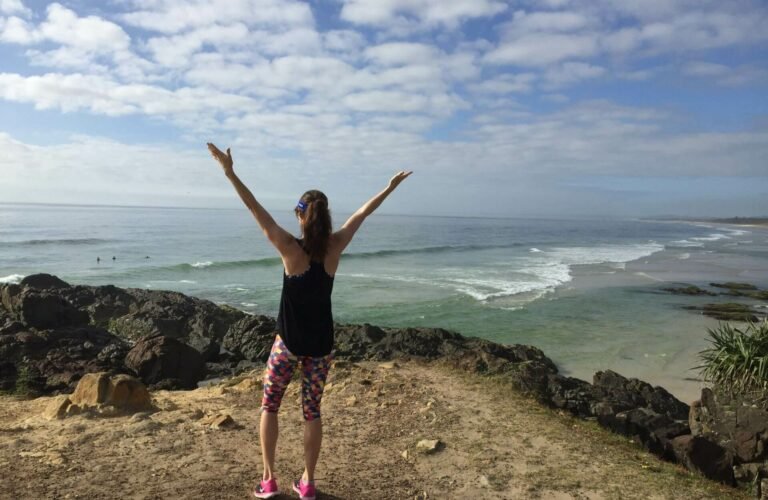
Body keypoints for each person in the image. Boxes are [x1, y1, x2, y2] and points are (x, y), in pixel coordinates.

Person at [207, 143, 412, 500]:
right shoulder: (335, 247)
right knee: (311, 412)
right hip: (321, 348)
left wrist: (229, 172)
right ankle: (308, 483)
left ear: (302, 216)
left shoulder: (289, 248)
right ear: (326, 217)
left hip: (286, 345)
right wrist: (389, 188)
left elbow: (254, 209)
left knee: (269, 405)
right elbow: (362, 214)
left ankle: (268, 480)